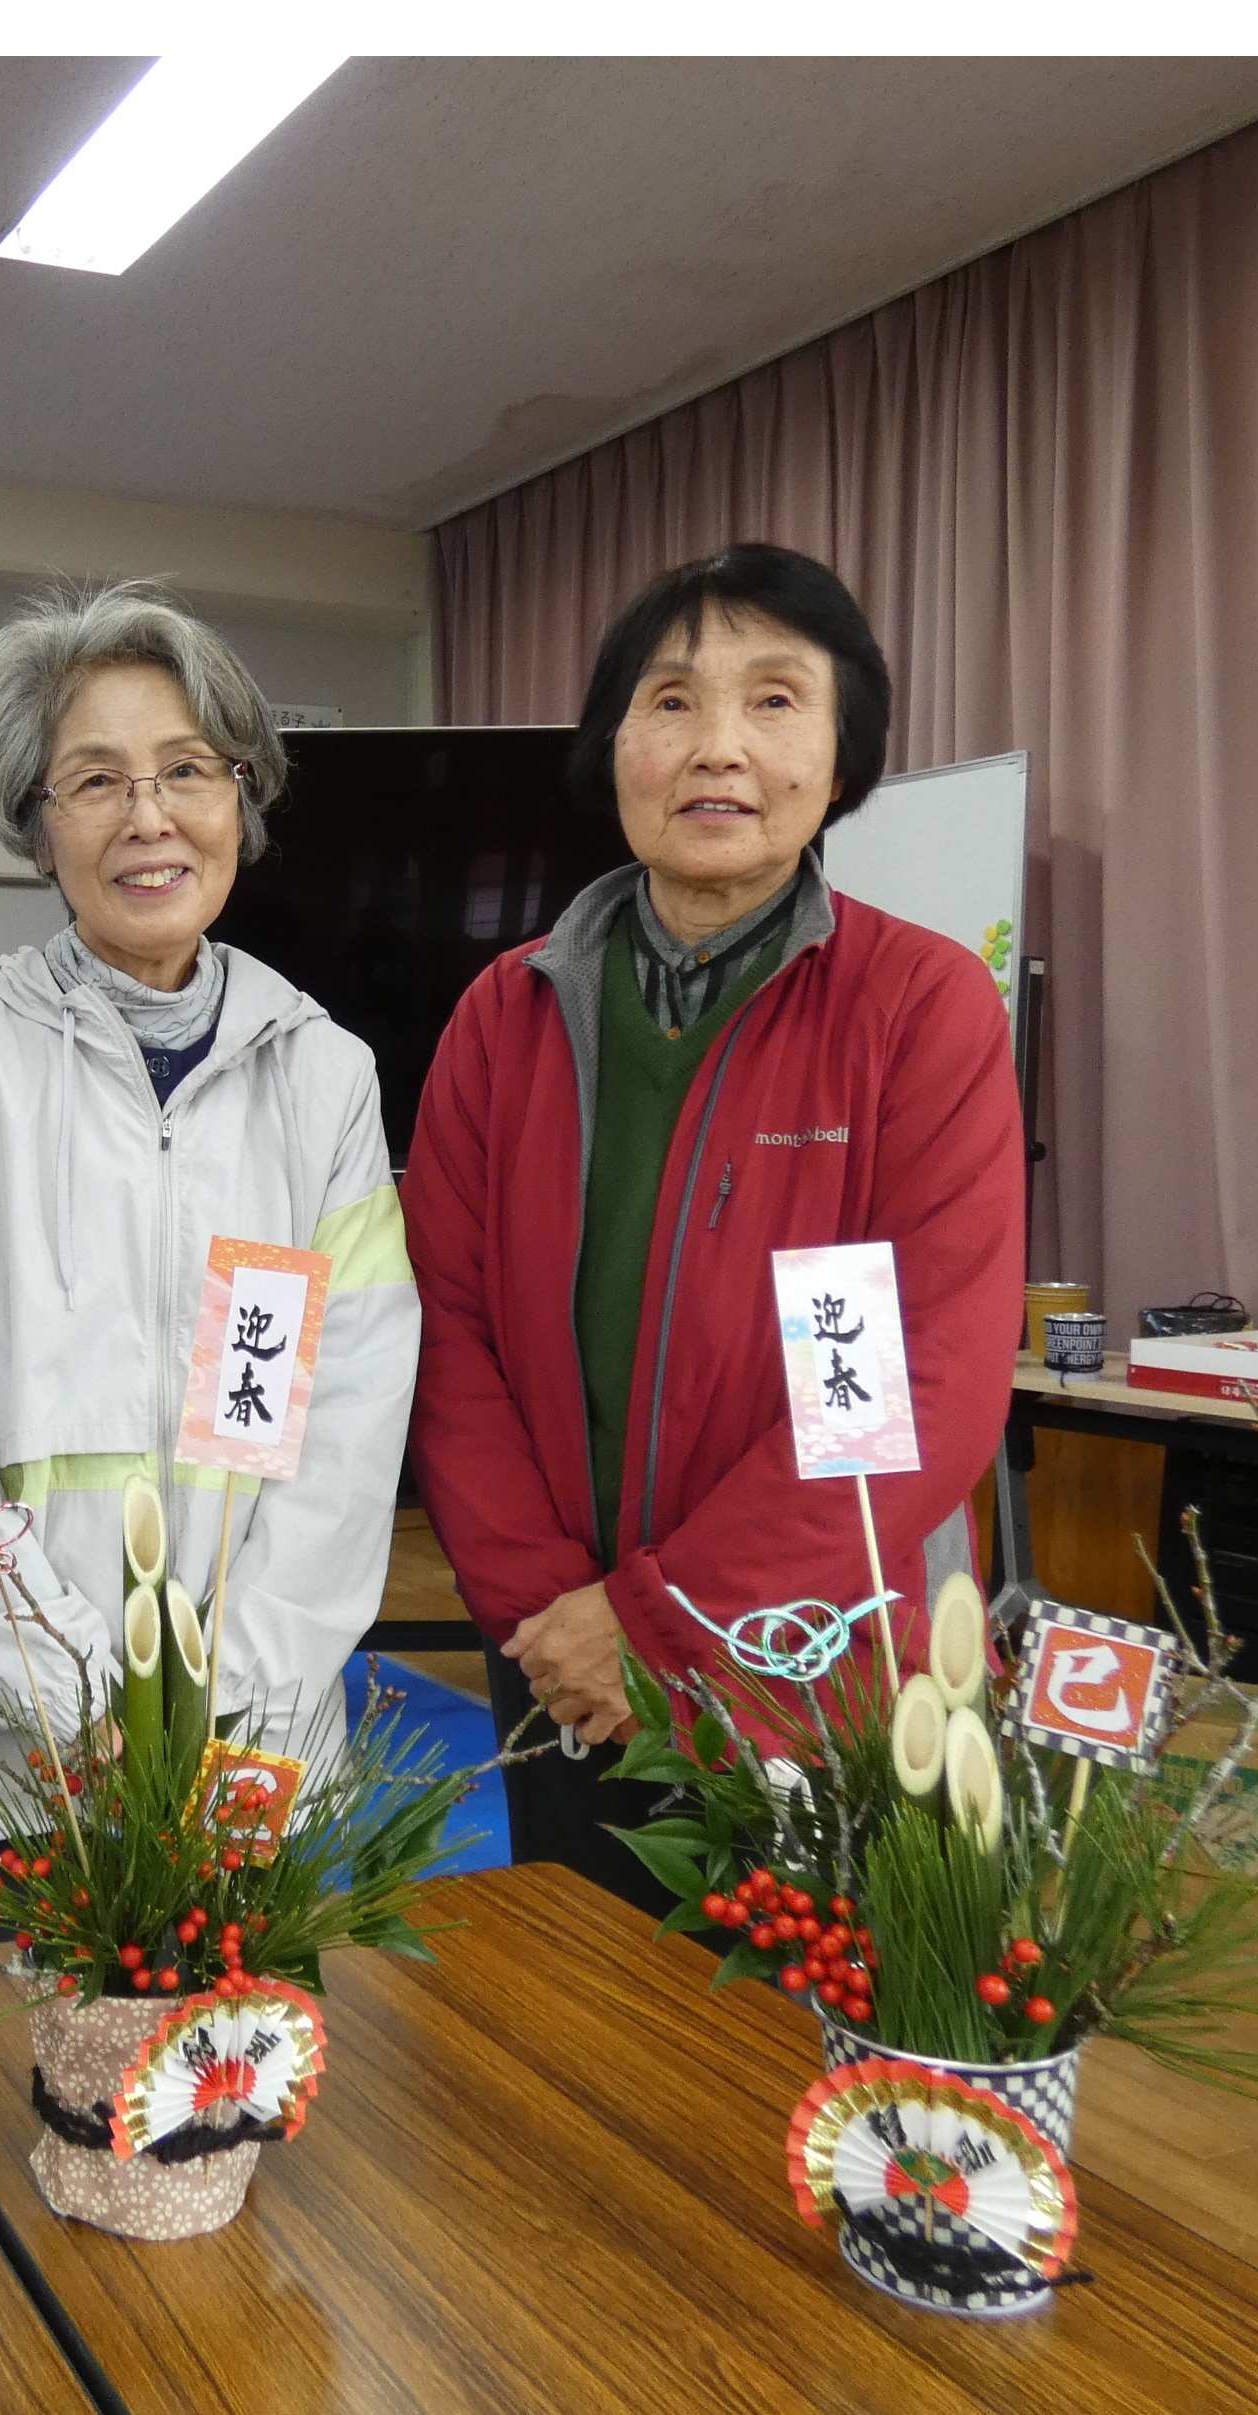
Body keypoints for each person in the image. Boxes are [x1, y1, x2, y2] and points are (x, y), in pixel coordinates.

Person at [402, 542, 1023, 1915]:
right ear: (614, 745)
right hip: (563, 1664)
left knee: (824, 2035)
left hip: (827, 1662)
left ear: (843, 760)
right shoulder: (504, 1018)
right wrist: (556, 1621)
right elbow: (447, 1338)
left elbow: (919, 1385)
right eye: (672, 700)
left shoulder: (919, 1010)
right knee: (584, 2016)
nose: (718, 746)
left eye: (775, 700)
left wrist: (658, 1624)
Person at [0, 581, 419, 1955]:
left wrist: (220, 1700)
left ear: (241, 800)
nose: (149, 818)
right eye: (95, 781)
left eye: (187, 771)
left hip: (243, 1757)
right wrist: (81, 1701)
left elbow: (352, 1417)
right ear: (38, 823)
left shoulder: (325, 1076)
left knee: (225, 2082)